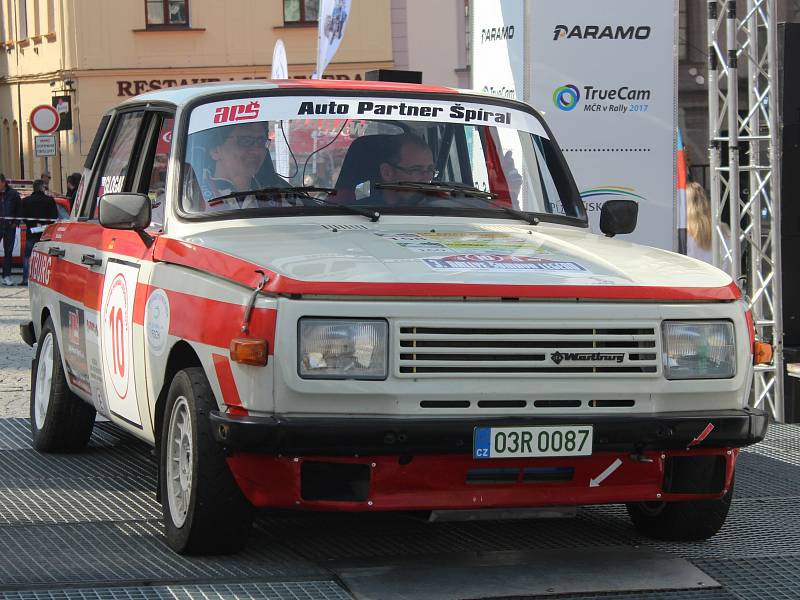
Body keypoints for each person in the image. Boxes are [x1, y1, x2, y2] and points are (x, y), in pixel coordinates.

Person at [200, 122, 283, 211]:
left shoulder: (280, 198)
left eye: (261, 142)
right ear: (215, 151)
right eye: (245, 141)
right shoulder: (192, 196)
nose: (256, 151)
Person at [376, 133, 436, 206]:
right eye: (416, 170)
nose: (427, 178)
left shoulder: (441, 208)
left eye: (430, 169)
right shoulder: (363, 212)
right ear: (387, 172)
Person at [687, 180, 732, 274]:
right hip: (719, 283)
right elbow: (729, 264)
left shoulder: (681, 233)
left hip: (691, 285)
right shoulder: (723, 229)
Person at [18, 180, 58, 287]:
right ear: (42, 188)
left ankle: (26, 279)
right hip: (46, 233)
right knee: (46, 257)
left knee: (28, 256)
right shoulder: (49, 200)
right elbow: (54, 216)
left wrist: (32, 224)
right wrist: (45, 224)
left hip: (31, 232)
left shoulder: (26, 201)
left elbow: (22, 216)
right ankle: (46, 279)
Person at [0, 174, 21, 286]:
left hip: (9, 227)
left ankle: (6, 276)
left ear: (3, 182)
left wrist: (15, 223)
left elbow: (19, 208)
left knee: (8, 252)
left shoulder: (13, 194)